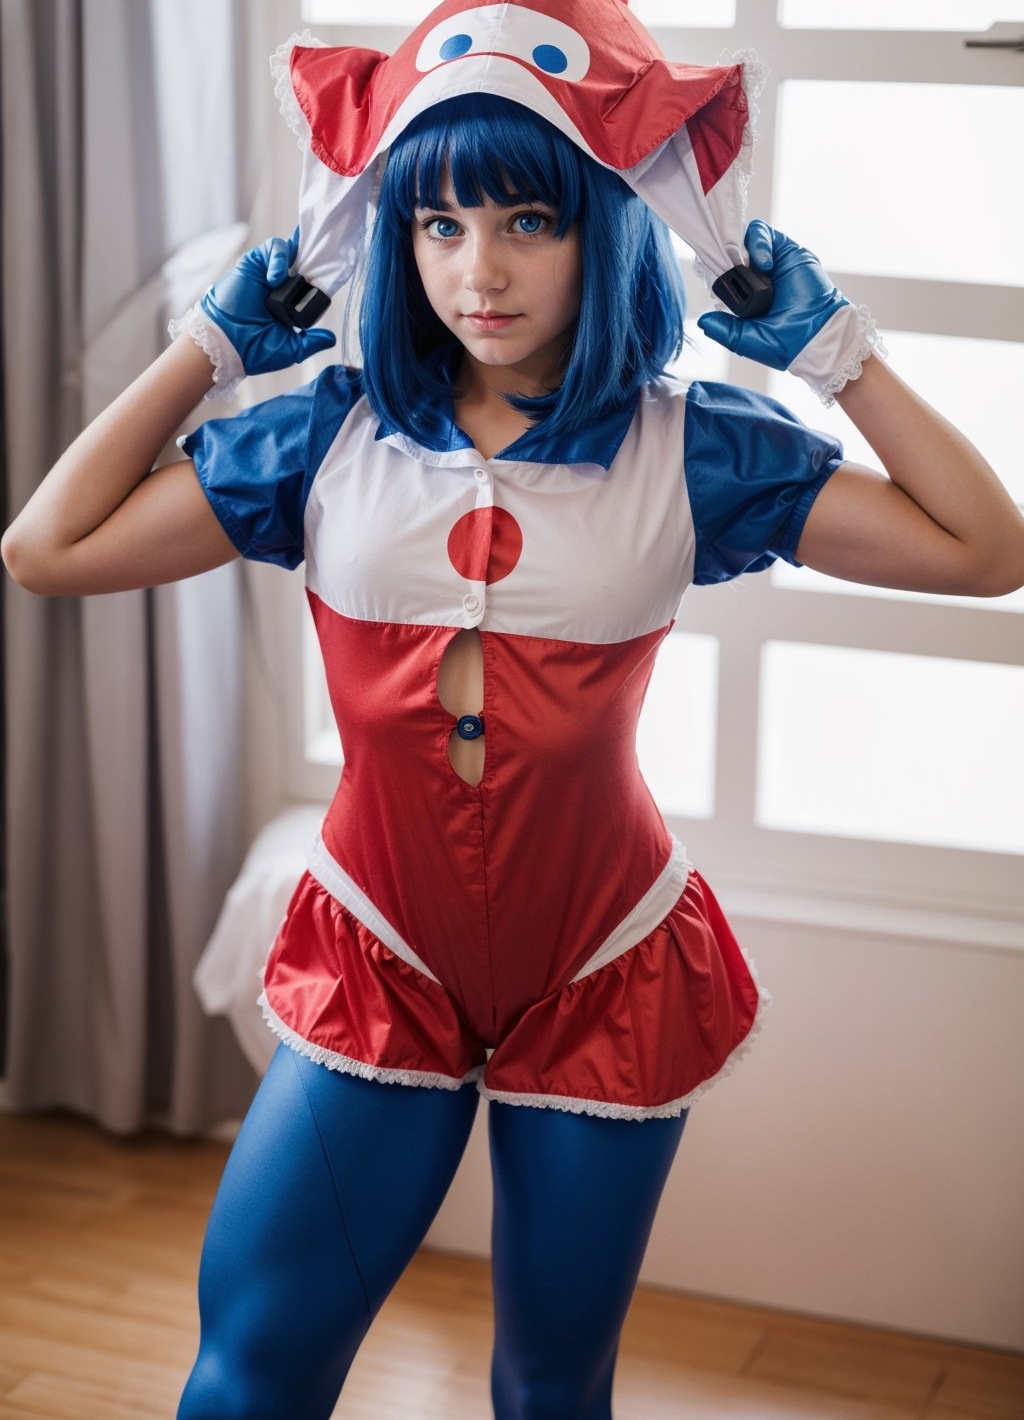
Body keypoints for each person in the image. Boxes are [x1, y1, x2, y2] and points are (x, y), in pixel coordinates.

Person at [4, 85, 1023, 1420]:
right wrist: (207, 350)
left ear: (600, 231)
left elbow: (986, 549)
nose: (477, 271)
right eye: (437, 224)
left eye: (527, 221)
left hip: (604, 959)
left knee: (553, 1389)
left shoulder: (691, 446)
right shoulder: (324, 436)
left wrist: (838, 354)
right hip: (381, 946)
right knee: (250, 1375)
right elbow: (44, 549)